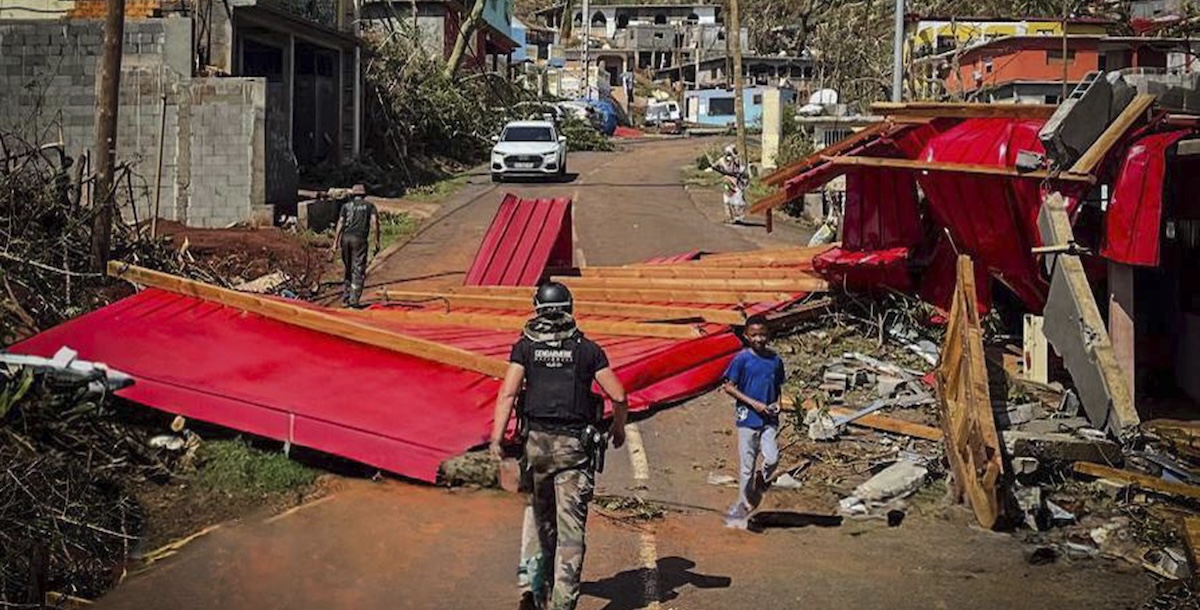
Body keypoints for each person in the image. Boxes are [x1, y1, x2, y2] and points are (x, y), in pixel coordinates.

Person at [490, 282, 628, 610]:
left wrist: (497, 439)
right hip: (573, 450)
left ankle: (537, 589)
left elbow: (508, 394)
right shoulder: (588, 349)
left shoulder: (525, 347)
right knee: (571, 534)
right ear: (570, 308)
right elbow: (619, 395)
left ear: (537, 308)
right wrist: (618, 427)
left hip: (535, 447)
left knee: (541, 521)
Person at [721, 314, 785, 529]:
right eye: (754, 335)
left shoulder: (775, 360)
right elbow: (729, 386)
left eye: (763, 334)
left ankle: (763, 478)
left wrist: (778, 403)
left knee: (773, 457)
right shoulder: (742, 359)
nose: (759, 339)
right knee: (746, 468)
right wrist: (754, 403)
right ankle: (742, 510)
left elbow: (777, 387)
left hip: (769, 418)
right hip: (748, 418)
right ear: (746, 336)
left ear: (769, 335)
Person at [329, 184, 379, 308]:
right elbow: (375, 223)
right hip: (359, 240)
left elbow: (340, 223)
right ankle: (354, 300)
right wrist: (377, 241)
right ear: (364, 195)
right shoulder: (369, 206)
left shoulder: (346, 206)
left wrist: (335, 243)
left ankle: (345, 298)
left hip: (345, 239)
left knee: (348, 268)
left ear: (353, 195)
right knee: (358, 269)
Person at [713, 144, 748, 224]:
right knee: (727, 199)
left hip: (737, 182)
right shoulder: (722, 160)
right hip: (728, 182)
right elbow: (715, 166)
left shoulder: (736, 160)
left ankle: (737, 217)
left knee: (737, 199)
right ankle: (730, 217)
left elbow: (741, 170)